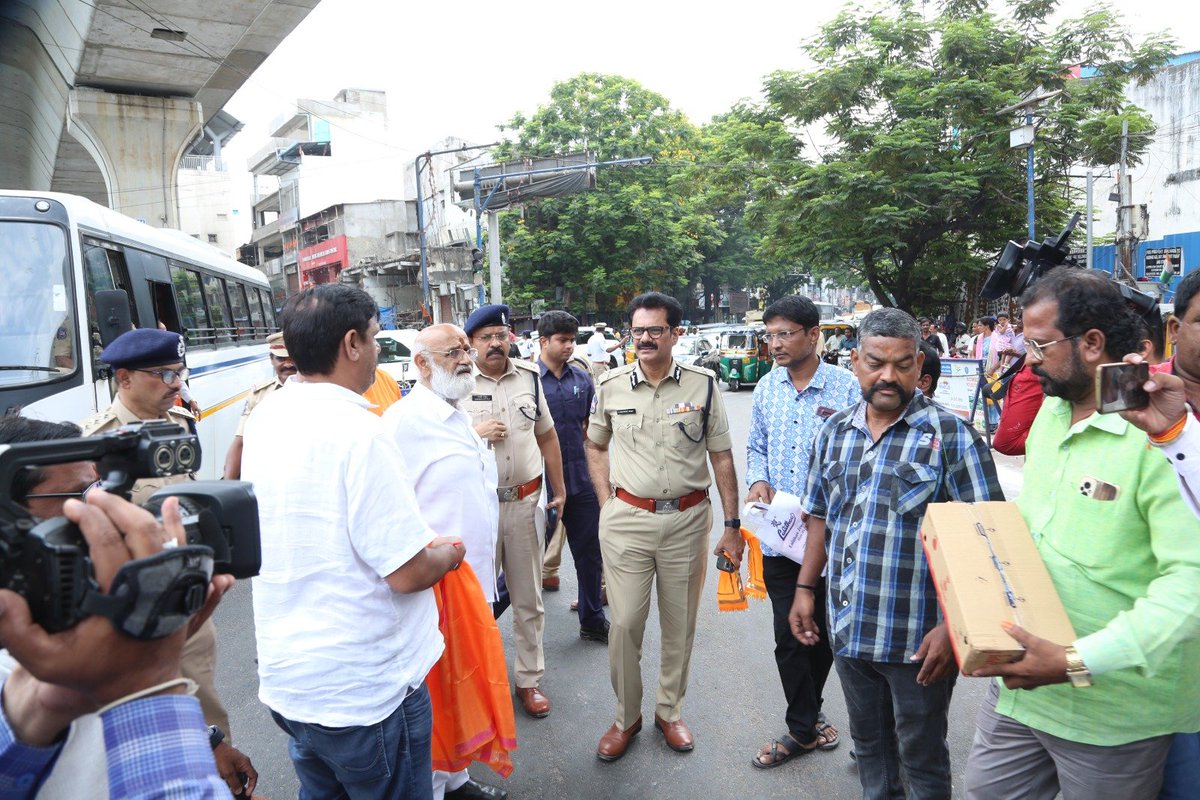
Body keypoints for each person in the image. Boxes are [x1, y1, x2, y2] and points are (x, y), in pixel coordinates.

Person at [965, 268, 1200, 800]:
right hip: (1025, 690)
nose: (1028, 358)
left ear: (1092, 343)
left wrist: (1075, 661)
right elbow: (1035, 526)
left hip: (1116, 713)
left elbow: (1190, 588)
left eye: (1041, 345)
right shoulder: (1051, 414)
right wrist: (963, 617)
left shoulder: (1165, 437)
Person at [242, 284, 465, 800]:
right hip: (367, 693)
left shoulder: (267, 417)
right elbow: (407, 571)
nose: (376, 353)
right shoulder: (361, 431)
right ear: (351, 344)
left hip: (293, 685)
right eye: (373, 337)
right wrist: (450, 553)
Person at [790, 307, 1003, 800]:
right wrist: (805, 588)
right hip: (849, 629)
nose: (888, 376)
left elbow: (986, 541)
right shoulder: (834, 433)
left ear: (919, 365)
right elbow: (820, 518)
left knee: (922, 757)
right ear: (855, 362)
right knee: (871, 752)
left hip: (917, 642)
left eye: (903, 364)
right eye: (876, 362)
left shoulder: (951, 437)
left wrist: (955, 627)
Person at [0, 416, 259, 797]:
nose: (104, 514)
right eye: (79, 498)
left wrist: (205, 738)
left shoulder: (84, 623)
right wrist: (146, 685)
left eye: (100, 489)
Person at [586, 291, 740, 761]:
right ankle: (626, 717)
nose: (646, 338)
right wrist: (606, 503)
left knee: (680, 625)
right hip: (627, 522)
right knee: (626, 623)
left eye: (656, 329)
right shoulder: (610, 384)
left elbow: (722, 456)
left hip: (688, 522)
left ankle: (669, 712)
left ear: (676, 333)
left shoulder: (704, 385)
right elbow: (595, 446)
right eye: (639, 330)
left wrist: (732, 525)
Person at [78, 328, 234, 755]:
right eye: (163, 374)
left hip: (189, 604)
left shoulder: (181, 424)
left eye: (179, 373)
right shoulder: (92, 443)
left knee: (209, 723)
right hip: (131, 616)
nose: (176, 385)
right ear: (124, 377)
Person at [382, 324, 508, 800]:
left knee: (461, 683)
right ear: (421, 363)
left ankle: (453, 779)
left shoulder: (455, 414)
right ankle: (432, 788)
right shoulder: (402, 424)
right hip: (436, 584)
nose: (465, 359)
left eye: (463, 350)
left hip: (471, 578)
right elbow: (394, 510)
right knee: (435, 689)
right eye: (452, 352)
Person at [743, 295, 860, 770]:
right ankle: (802, 727)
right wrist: (757, 479)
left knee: (826, 633)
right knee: (788, 633)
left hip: (832, 534)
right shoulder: (766, 388)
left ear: (814, 335)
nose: (775, 344)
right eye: (769, 335)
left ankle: (808, 716)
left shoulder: (848, 387)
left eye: (785, 334)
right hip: (779, 534)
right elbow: (756, 446)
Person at [461, 305, 566, 720]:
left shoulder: (529, 377)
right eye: (485, 336)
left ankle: (529, 680)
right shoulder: (455, 383)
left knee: (528, 598)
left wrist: (560, 490)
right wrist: (474, 435)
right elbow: (433, 445)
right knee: (475, 601)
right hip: (477, 508)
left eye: (500, 334)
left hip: (525, 503)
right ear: (471, 343)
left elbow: (548, 436)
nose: (494, 343)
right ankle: (476, 680)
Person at [535, 311, 607, 643]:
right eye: (562, 340)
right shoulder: (528, 381)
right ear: (543, 342)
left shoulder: (582, 379)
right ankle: (487, 620)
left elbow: (592, 430)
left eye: (571, 340)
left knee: (589, 553)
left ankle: (592, 618)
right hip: (542, 485)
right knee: (528, 557)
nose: (568, 346)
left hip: (582, 480)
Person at [223, 331, 296, 480]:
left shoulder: (318, 389)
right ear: (271, 359)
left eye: (292, 358)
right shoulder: (259, 395)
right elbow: (240, 442)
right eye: (281, 358)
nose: (288, 364)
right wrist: (226, 486)